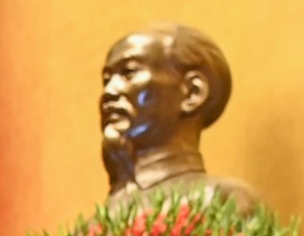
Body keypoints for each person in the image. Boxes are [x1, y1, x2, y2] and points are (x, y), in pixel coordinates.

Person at [98, 23, 258, 209]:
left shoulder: (222, 201)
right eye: (106, 80)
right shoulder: (92, 227)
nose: (108, 92)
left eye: (129, 72)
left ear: (192, 92)